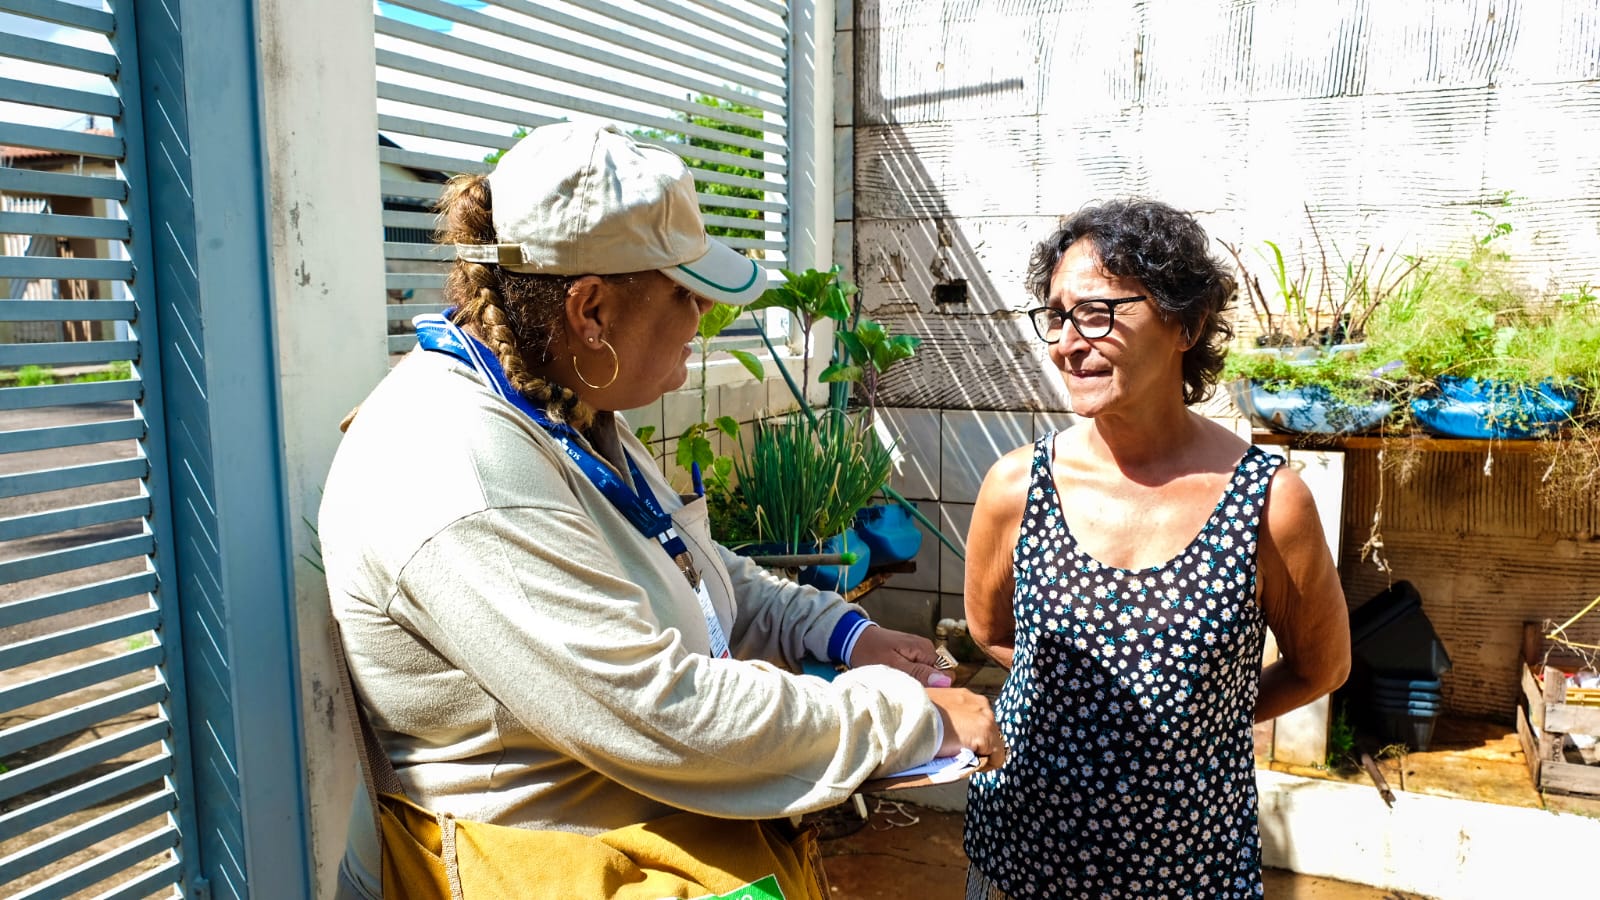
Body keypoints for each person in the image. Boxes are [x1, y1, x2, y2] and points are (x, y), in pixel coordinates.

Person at [320, 121, 1003, 898]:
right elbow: (658, 709)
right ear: (591, 310)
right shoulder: (458, 467)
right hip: (542, 868)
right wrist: (909, 720)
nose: (705, 317)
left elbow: (691, 565)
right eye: (687, 294)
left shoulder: (563, 409)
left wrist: (843, 634)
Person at [961, 199, 1350, 898]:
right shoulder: (1017, 487)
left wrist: (1194, 718)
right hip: (1023, 854)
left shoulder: (1267, 501)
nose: (1068, 342)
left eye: (1098, 312)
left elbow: (1321, 666)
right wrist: (1092, 709)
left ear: (1186, 323)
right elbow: (990, 632)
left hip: (1187, 865)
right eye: (1056, 316)